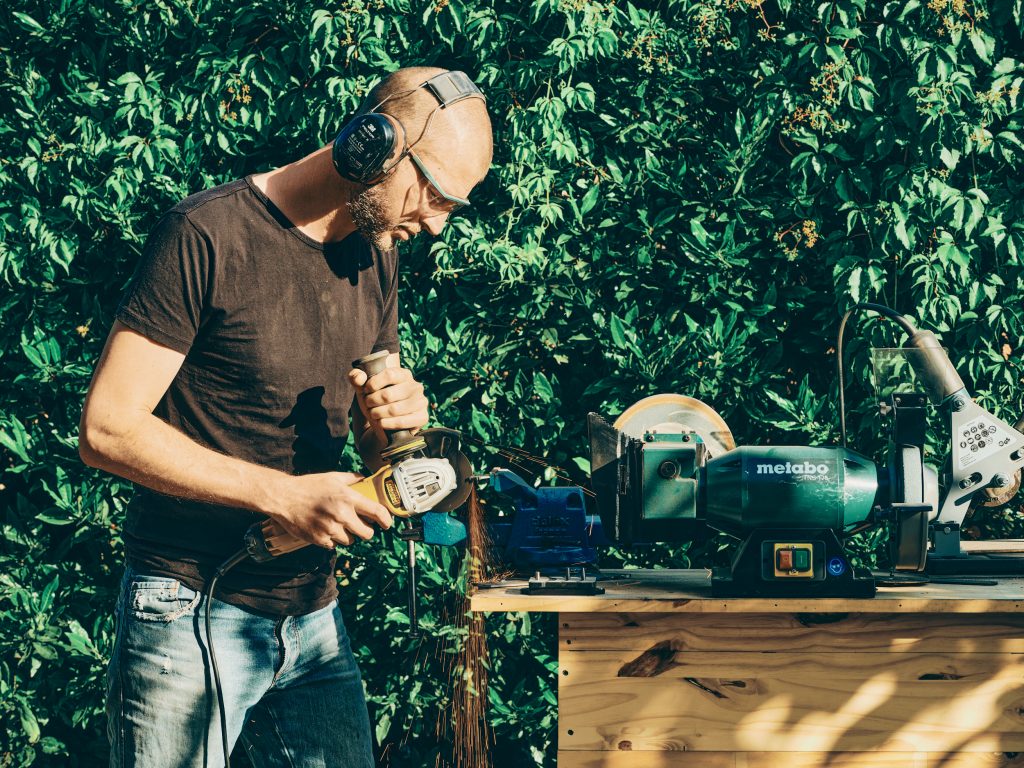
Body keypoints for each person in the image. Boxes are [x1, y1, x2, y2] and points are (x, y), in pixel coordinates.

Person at [78, 66, 494, 768]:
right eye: (433, 194)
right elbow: (107, 429)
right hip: (186, 609)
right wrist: (286, 494)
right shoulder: (207, 235)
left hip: (311, 619)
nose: (437, 222)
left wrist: (394, 423)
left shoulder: (376, 251)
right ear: (375, 144)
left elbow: (375, 446)